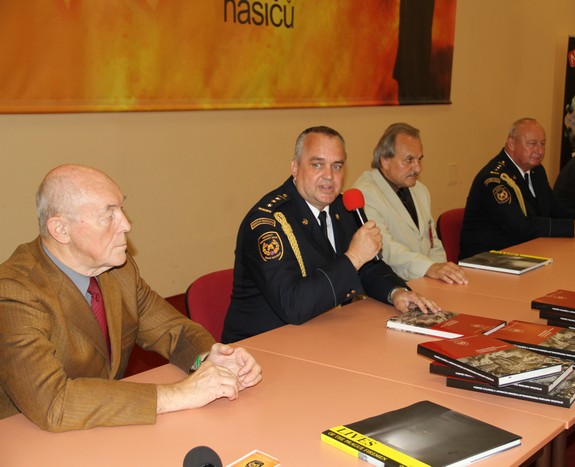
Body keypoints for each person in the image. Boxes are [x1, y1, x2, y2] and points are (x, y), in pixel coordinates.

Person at [0, 165, 262, 432]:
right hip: (26, 437)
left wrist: (207, 360)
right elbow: (53, 403)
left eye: (121, 209)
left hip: (104, 428)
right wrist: (178, 394)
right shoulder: (14, 291)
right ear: (61, 230)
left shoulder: (119, 271)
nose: (126, 224)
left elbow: (175, 332)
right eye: (109, 215)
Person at [222, 126, 440, 343]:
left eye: (337, 166)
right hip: (260, 345)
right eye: (317, 164)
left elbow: (368, 268)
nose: (329, 176)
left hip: (322, 333)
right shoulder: (268, 223)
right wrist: (353, 257)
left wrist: (397, 292)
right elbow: (293, 305)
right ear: (295, 168)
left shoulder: (343, 208)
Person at [459, 118, 575, 259]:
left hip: (526, 251)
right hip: (488, 259)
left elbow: (554, 208)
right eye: (532, 144)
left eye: (543, 144)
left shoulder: (536, 171)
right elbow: (521, 227)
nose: (540, 151)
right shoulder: (494, 180)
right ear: (511, 143)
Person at [352, 122, 467, 284]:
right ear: (385, 160)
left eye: (419, 159)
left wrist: (443, 272)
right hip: (391, 285)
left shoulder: (420, 189)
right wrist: (430, 268)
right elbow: (386, 249)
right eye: (409, 160)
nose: (417, 168)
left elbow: (433, 242)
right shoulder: (365, 194)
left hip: (426, 280)